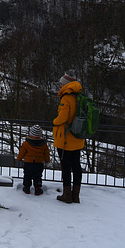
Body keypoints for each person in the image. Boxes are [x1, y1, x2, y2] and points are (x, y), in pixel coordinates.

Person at [53, 70, 85, 204]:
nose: (60, 86)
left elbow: (63, 117)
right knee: (76, 166)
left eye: (61, 84)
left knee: (66, 167)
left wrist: (54, 122)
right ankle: (75, 195)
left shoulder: (66, 98)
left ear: (65, 84)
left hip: (65, 138)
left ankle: (67, 195)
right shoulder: (79, 96)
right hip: (77, 137)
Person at [17, 124, 50, 195]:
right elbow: (46, 153)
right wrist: (47, 160)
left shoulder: (26, 143)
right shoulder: (43, 144)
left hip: (28, 162)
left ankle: (27, 187)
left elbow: (22, 152)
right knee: (38, 176)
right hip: (39, 163)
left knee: (27, 175)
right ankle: (37, 188)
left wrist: (19, 158)